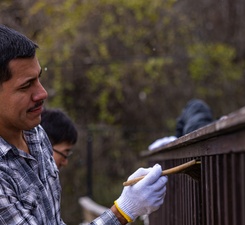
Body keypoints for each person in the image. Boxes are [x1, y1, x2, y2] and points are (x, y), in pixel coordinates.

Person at [0, 24, 167, 225]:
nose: (42, 93)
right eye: (26, 85)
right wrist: (123, 211)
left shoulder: (35, 133)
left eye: (38, 79)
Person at [148, 98, 214, 150]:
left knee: (195, 130)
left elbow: (179, 126)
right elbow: (209, 117)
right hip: (205, 124)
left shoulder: (186, 110)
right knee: (204, 127)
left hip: (191, 128)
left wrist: (177, 136)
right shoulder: (205, 107)